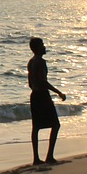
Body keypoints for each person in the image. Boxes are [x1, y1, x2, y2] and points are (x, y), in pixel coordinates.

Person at [27, 37, 66, 165]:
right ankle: (49, 156)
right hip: (43, 96)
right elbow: (43, 81)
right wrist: (58, 92)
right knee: (55, 125)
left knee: (36, 127)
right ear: (38, 48)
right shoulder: (41, 62)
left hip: (34, 95)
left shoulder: (31, 62)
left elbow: (30, 83)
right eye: (42, 45)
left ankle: (36, 159)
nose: (45, 47)